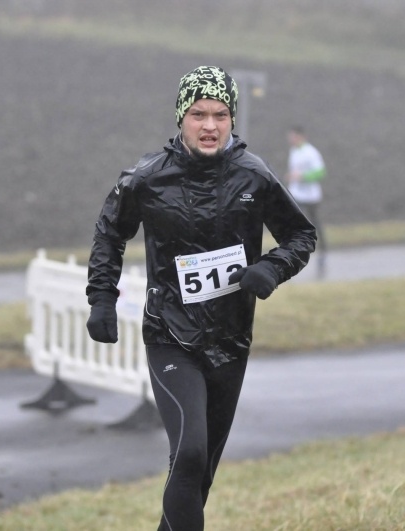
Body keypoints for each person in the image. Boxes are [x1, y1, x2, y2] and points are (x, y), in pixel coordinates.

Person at [85, 66, 316, 530]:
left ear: (232, 119)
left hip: (231, 341)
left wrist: (271, 268)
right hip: (171, 335)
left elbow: (301, 235)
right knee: (188, 451)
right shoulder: (148, 178)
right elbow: (110, 232)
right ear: (180, 118)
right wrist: (102, 298)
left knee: (198, 474)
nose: (209, 125)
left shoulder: (254, 175)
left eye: (220, 114)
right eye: (198, 114)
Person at [285, 125, 327, 277]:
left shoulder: (311, 152)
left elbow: (321, 172)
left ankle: (322, 251)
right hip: (297, 196)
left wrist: (302, 177)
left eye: (293, 136)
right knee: (294, 224)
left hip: (311, 197)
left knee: (314, 224)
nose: (290, 139)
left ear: (301, 136)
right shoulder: (294, 151)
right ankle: (293, 252)